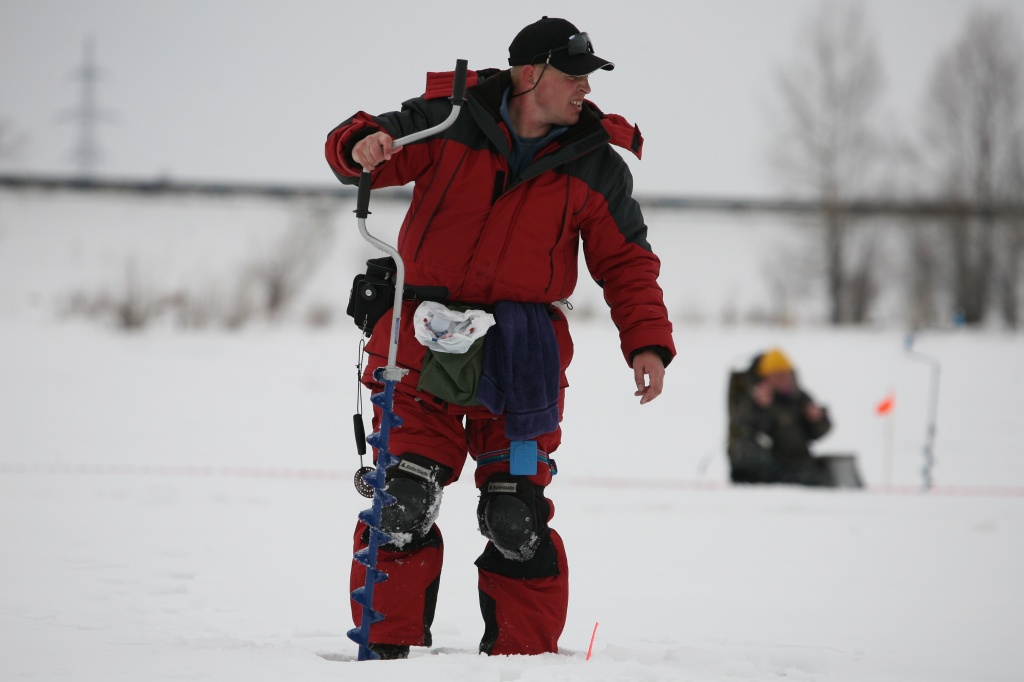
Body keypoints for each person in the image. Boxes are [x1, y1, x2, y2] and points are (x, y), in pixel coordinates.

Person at [325, 17, 675, 658]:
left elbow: (626, 263)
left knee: (515, 517)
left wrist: (646, 341)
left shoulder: (595, 162)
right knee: (402, 503)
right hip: (420, 346)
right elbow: (365, 142)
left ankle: (525, 665)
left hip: (524, 357)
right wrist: (361, 146)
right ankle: (384, 660)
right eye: (573, 75)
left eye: (588, 78)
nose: (583, 89)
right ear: (529, 74)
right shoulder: (450, 119)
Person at [727, 347, 836, 486]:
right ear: (766, 378)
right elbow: (742, 430)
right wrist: (761, 409)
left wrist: (817, 420)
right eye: (777, 375)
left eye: (785, 374)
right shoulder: (752, 400)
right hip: (769, 466)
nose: (783, 379)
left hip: (800, 463)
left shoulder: (800, 398)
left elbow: (818, 433)